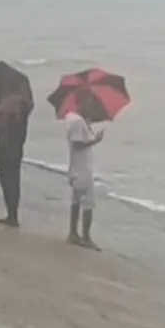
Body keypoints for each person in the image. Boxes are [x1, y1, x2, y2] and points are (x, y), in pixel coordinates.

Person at [64, 91, 105, 249]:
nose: (91, 105)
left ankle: (73, 233)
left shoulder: (75, 119)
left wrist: (88, 127)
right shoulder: (76, 121)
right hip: (82, 169)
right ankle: (85, 236)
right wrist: (94, 141)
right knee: (88, 203)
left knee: (76, 201)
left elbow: (79, 139)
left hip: (76, 167)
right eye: (88, 102)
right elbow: (77, 144)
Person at [0, 85, 33, 227]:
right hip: (17, 148)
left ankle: (11, 215)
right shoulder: (24, 109)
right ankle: (13, 214)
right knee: (14, 180)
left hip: (5, 147)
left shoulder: (8, 106)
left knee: (6, 180)